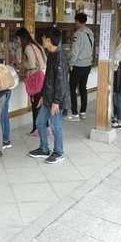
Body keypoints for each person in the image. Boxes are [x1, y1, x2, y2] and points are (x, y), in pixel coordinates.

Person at [28, 27, 71, 164]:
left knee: (55, 126)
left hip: (57, 99)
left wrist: (56, 101)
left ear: (48, 40)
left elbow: (61, 81)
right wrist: (42, 95)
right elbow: (49, 78)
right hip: (48, 97)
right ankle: (44, 148)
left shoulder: (60, 56)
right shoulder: (51, 54)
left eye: (43, 38)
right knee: (40, 122)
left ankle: (59, 152)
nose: (42, 40)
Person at [15, 27, 51, 137]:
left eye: (17, 38)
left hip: (36, 79)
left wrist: (22, 64)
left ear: (21, 38)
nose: (17, 41)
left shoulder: (28, 48)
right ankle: (46, 127)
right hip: (44, 76)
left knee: (35, 104)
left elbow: (31, 65)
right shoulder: (37, 45)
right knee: (42, 104)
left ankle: (36, 129)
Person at [63, 13, 94, 122]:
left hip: (78, 65)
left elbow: (75, 52)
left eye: (75, 21)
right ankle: (83, 112)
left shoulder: (78, 34)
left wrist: (71, 63)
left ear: (78, 22)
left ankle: (75, 114)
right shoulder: (90, 33)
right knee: (83, 88)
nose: (75, 24)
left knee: (72, 89)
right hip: (87, 65)